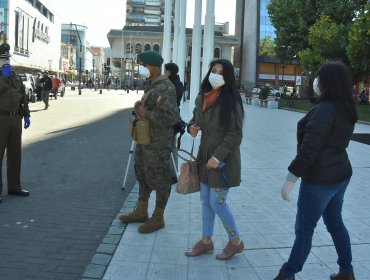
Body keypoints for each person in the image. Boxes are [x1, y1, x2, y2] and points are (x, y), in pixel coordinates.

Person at [274, 61, 358, 280]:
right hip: (340, 174)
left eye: (318, 77)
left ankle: (287, 274)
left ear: (327, 82)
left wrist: (291, 177)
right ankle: (346, 271)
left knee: (304, 229)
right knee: (335, 223)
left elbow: (310, 149)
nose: (315, 81)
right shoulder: (344, 107)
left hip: (321, 179)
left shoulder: (324, 110)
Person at [185, 59, 245, 260]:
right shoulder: (203, 96)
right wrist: (192, 127)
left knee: (217, 202)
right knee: (205, 201)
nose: (215, 75)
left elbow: (235, 134)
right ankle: (206, 242)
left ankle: (235, 241)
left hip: (223, 159)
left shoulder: (232, 100)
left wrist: (217, 157)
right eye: (213, 70)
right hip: (204, 156)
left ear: (227, 77)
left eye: (220, 72)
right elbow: (195, 119)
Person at [119, 50, 179, 233]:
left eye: (143, 65)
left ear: (153, 66)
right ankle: (141, 211)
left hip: (159, 143)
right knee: (142, 174)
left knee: (160, 178)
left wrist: (146, 113)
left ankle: (158, 216)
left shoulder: (165, 87)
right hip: (146, 139)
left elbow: (172, 118)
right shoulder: (152, 84)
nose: (141, 68)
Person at [0, 43, 31, 203]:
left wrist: (26, 115)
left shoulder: (14, 75)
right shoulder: (3, 75)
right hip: (1, 118)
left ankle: (14, 186)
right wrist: (3, 77)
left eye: (7, 58)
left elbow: (22, 97)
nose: (6, 61)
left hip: (15, 118)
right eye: (3, 58)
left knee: (15, 154)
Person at [164, 62, 185, 184]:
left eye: (165, 70)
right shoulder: (179, 83)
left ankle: (172, 174)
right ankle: (172, 172)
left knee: (171, 146)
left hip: (169, 119)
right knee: (172, 146)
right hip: (175, 117)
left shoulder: (171, 84)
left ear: (169, 71)